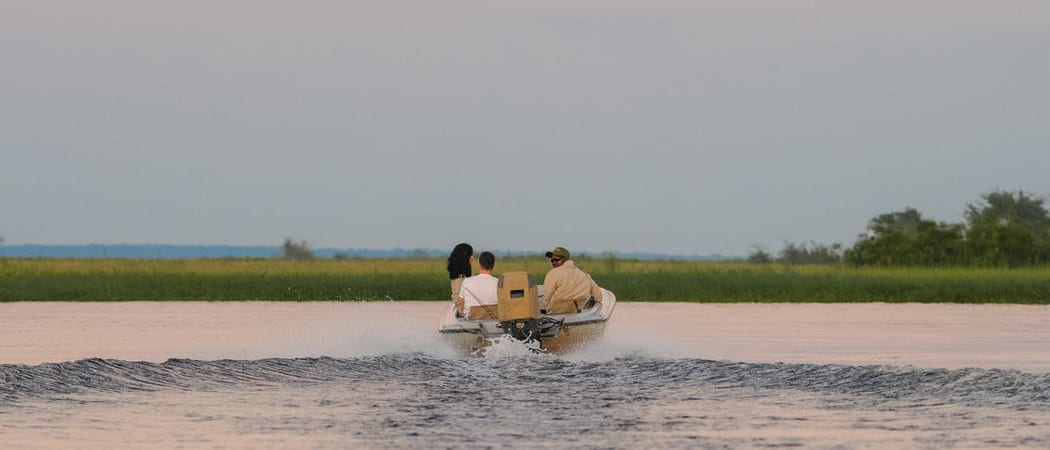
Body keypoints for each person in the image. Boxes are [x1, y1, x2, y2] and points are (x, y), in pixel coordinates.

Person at [542, 246, 602, 314]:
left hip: (556, 313)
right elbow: (598, 297)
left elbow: (547, 297)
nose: (553, 263)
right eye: (552, 261)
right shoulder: (584, 275)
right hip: (580, 313)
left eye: (557, 260)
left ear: (566, 259)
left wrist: (548, 311)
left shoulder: (552, 273)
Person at [458, 251, 499, 320]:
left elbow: (461, 305)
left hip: (470, 318)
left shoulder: (467, 281)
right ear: (494, 265)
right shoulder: (499, 283)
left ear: (479, 265)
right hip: (493, 318)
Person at [446, 243, 473, 316]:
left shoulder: (458, 277)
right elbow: (460, 304)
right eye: (470, 255)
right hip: (466, 313)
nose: (472, 258)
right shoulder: (460, 280)